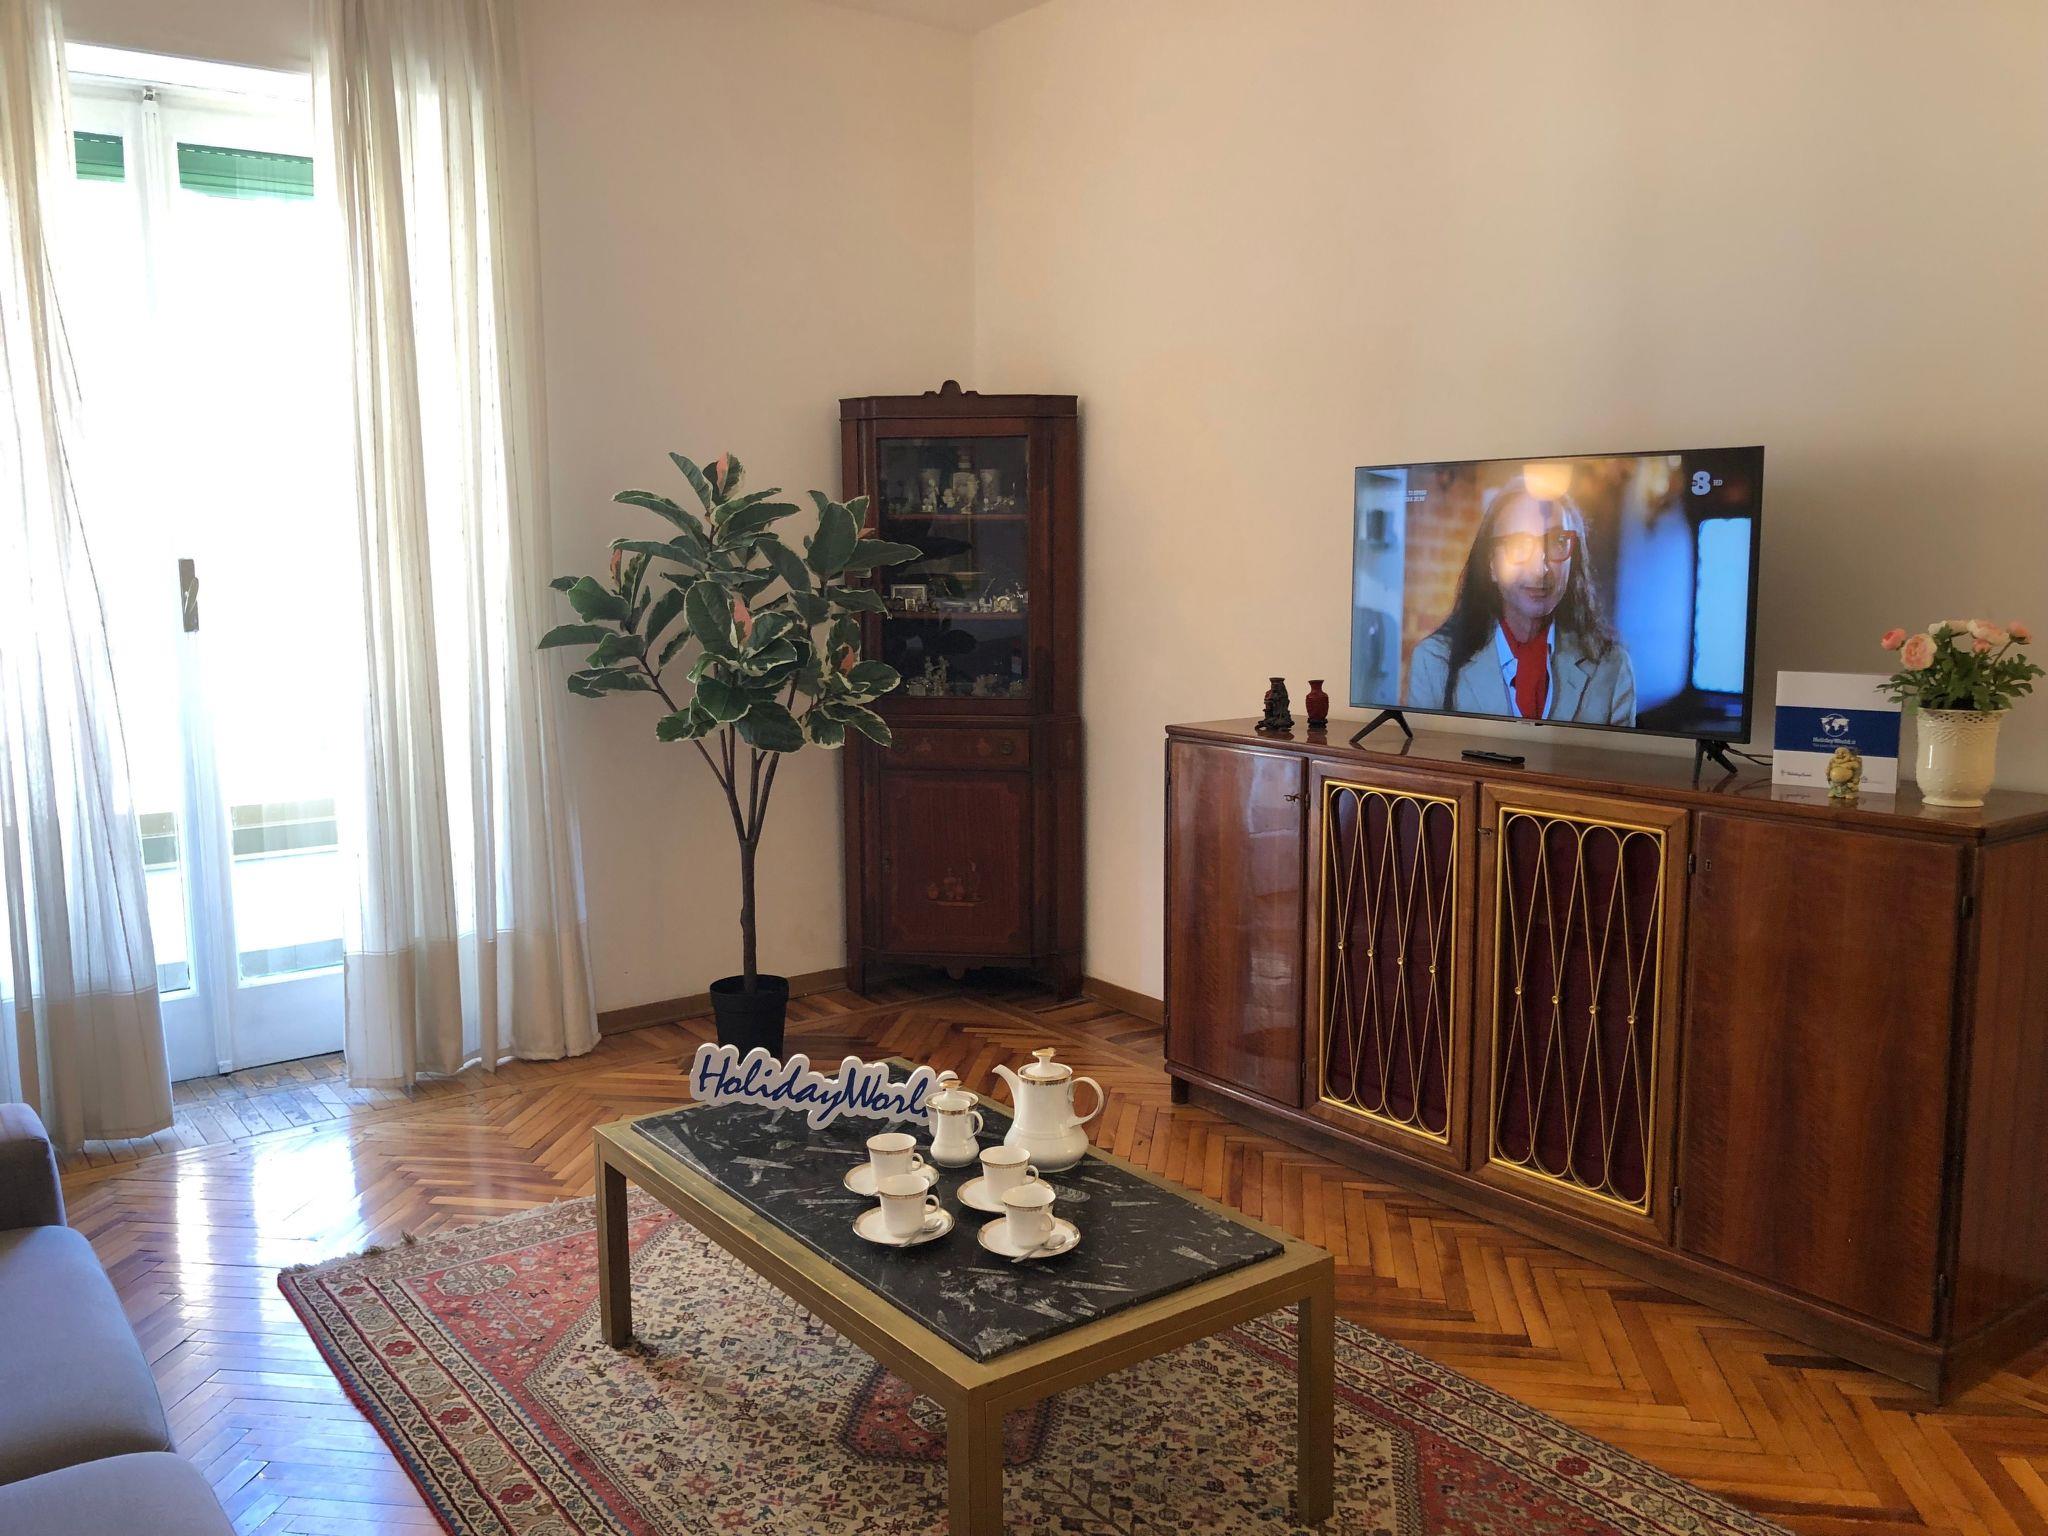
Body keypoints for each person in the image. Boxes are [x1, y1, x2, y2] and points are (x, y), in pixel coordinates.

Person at [1405, 476, 1636, 726]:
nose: (1540, 569)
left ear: (1574, 559)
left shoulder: (1611, 666)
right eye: (1518, 544)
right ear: (1491, 564)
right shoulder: (1435, 662)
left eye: (1558, 541)